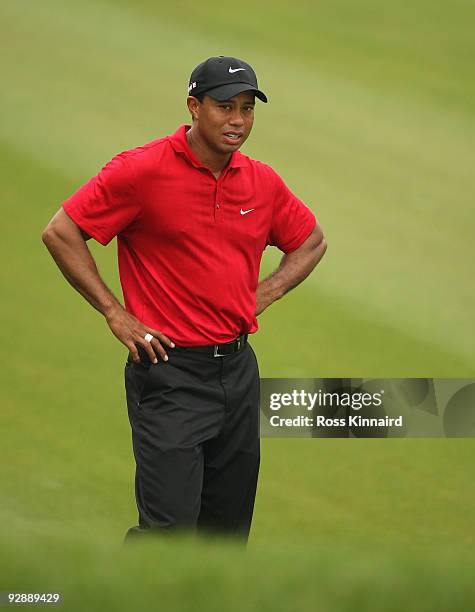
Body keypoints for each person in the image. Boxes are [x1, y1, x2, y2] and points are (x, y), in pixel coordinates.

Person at [42, 55, 327, 543]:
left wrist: (265, 293)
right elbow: (62, 232)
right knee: (168, 535)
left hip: (238, 374)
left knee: (225, 537)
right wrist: (115, 313)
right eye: (224, 107)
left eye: (247, 109)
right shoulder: (141, 171)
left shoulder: (261, 181)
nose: (238, 121)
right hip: (169, 374)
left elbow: (311, 240)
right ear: (194, 107)